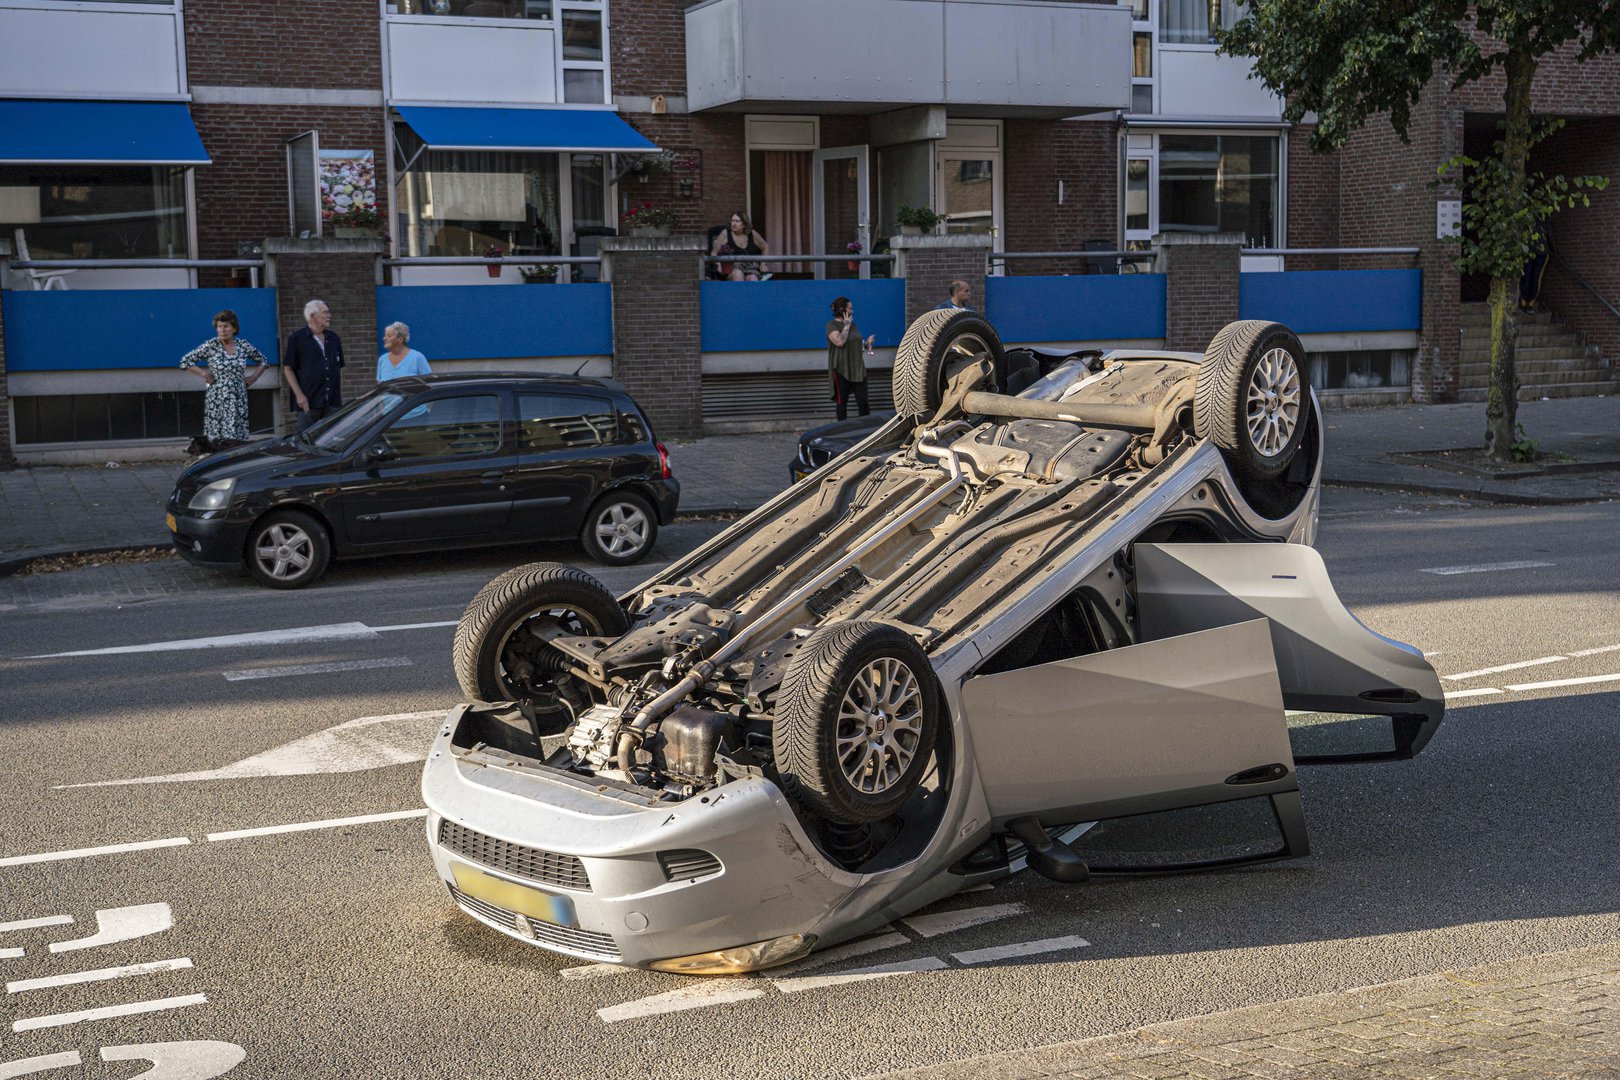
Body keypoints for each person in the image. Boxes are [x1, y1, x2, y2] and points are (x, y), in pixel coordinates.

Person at [179, 309, 270, 448]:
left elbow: (263, 361)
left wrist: (253, 378)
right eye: (219, 326)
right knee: (218, 437)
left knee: (237, 435)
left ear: (234, 328)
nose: (222, 330)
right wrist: (204, 374)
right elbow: (185, 362)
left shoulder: (242, 345)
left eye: (226, 326)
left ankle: (237, 462)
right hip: (218, 397)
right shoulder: (211, 346)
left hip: (239, 396)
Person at [282, 298, 346, 433]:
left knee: (331, 441)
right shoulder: (297, 338)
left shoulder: (334, 338)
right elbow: (288, 368)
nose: (329, 315)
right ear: (313, 316)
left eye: (328, 312)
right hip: (309, 402)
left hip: (332, 403)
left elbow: (338, 366)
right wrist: (299, 395)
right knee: (308, 442)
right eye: (325, 312)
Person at [826, 296, 875, 421]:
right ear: (842, 309)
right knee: (842, 402)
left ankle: (866, 430)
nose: (852, 311)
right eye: (850, 308)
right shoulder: (832, 325)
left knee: (863, 401)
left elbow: (855, 344)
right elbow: (839, 342)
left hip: (857, 368)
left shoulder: (853, 325)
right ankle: (842, 429)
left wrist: (867, 343)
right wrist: (846, 325)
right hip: (842, 368)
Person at [711, 211, 768, 281]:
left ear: (744, 224)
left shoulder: (752, 234)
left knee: (753, 278)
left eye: (737, 221)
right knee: (738, 274)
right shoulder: (725, 234)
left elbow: (765, 247)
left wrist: (763, 264)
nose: (734, 224)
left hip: (751, 268)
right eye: (733, 221)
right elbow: (714, 253)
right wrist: (719, 264)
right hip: (733, 268)